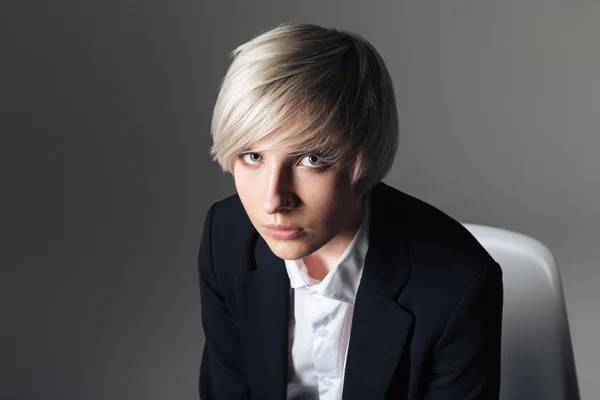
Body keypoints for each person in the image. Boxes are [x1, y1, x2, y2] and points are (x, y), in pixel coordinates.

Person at [198, 23, 503, 400]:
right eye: (253, 156)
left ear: (365, 157)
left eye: (311, 159)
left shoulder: (457, 282)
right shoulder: (225, 238)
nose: (272, 201)